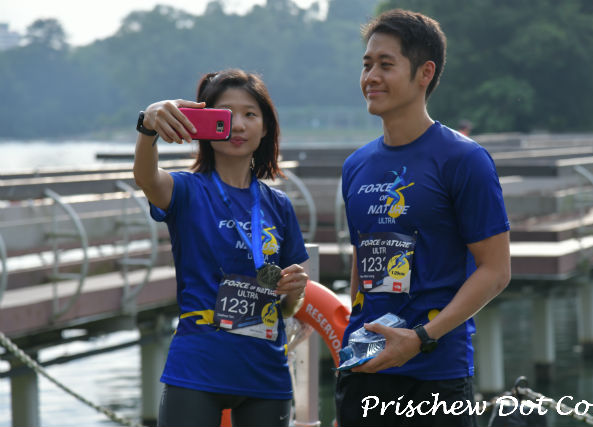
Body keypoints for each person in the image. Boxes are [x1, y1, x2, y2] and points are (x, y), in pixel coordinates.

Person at [336, 9, 511, 427]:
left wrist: (421, 338)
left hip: (436, 373)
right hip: (364, 368)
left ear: (425, 73)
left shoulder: (463, 159)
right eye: (366, 64)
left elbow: (495, 270)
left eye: (386, 64)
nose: (371, 77)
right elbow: (363, 256)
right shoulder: (356, 165)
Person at [133, 69, 309, 427]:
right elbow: (146, 177)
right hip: (197, 368)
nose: (238, 125)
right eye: (226, 114)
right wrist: (148, 127)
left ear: (266, 127)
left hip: (265, 372)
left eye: (250, 114)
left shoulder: (278, 205)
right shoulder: (186, 190)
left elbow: (289, 308)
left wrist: (294, 290)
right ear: (203, 124)